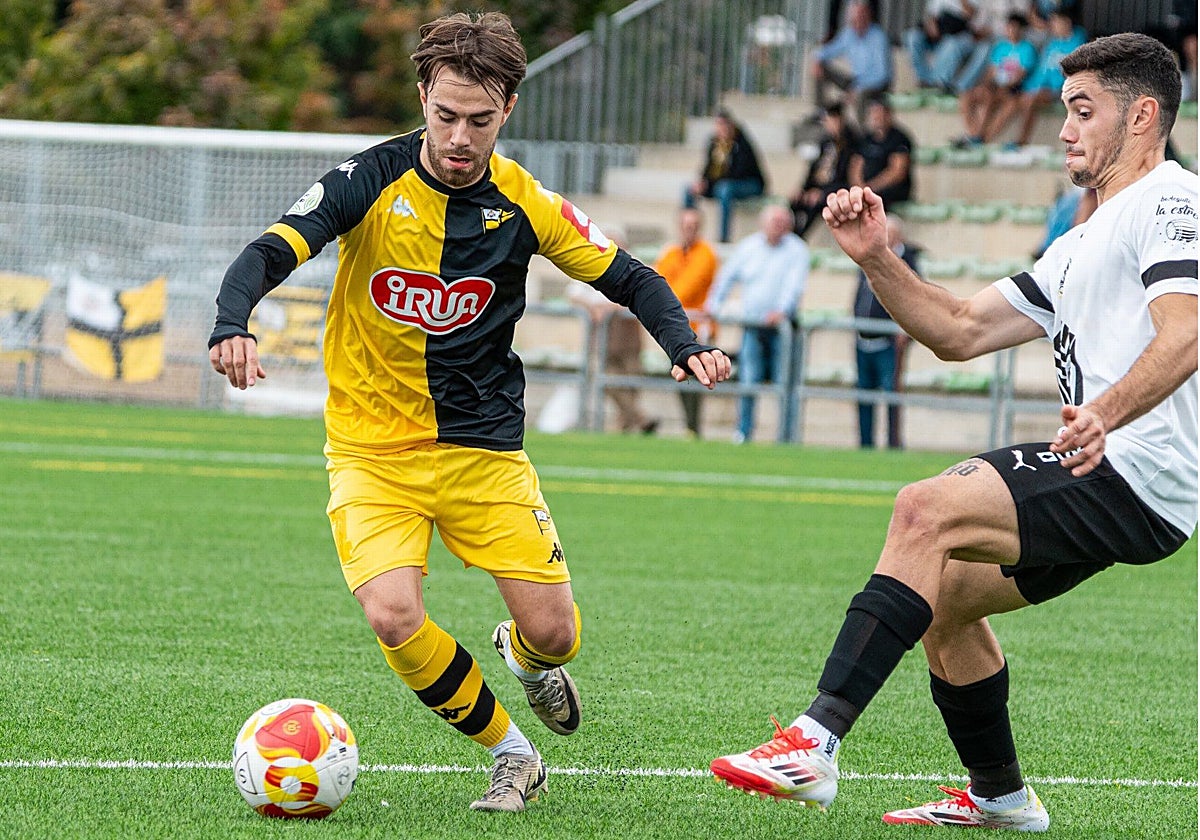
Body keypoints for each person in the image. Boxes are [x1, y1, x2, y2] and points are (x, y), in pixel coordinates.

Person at [207, 12, 731, 814]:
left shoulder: (523, 202)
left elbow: (632, 278)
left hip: (483, 449)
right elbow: (271, 249)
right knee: (392, 614)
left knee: (557, 635)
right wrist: (232, 321)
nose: (458, 136)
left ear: (508, 110)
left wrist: (681, 342)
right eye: (445, 115)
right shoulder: (369, 180)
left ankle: (525, 662)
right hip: (372, 450)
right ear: (423, 96)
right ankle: (513, 755)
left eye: (478, 121)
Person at [711, 32, 1196, 831]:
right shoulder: (1078, 241)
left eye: (1084, 110)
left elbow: (1186, 332)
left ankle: (813, 744)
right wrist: (876, 258)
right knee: (938, 597)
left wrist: (1105, 413)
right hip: (1110, 470)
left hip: (1135, 467)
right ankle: (1002, 796)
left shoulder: (1172, 200)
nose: (1064, 128)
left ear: (1143, 117)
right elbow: (961, 329)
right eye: (1064, 110)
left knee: (923, 508)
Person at [704, 204, 809, 444]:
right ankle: (743, 431)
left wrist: (781, 311)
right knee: (749, 380)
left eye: (783, 223)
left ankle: (786, 435)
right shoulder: (748, 247)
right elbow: (726, 277)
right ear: (764, 224)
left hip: (783, 329)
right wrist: (713, 305)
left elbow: (794, 286)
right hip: (752, 325)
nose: (779, 227)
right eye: (775, 222)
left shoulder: (797, 250)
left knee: (785, 383)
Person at [567, 232, 658, 435]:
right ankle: (642, 419)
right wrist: (593, 307)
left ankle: (624, 425)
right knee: (608, 380)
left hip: (628, 337)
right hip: (603, 337)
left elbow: (646, 291)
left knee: (632, 380)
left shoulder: (634, 264)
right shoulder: (590, 262)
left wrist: (613, 307)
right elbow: (573, 293)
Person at [654, 208, 721, 438]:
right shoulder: (671, 253)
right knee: (682, 375)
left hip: (698, 329)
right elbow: (659, 283)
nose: (689, 230)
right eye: (685, 225)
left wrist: (665, 299)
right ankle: (690, 426)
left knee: (695, 377)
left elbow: (682, 289)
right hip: (676, 327)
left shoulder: (706, 254)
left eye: (693, 225)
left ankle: (693, 426)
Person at [853, 215, 917, 449]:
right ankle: (865, 444)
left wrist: (904, 330)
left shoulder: (908, 263)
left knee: (891, 392)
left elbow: (917, 299)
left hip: (889, 342)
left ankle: (893, 443)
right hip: (863, 339)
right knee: (863, 393)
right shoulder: (870, 259)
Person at [953, 13, 1039, 148]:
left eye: (1015, 28)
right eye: (1009, 27)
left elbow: (1019, 77)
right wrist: (986, 85)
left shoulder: (1028, 49)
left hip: (1012, 90)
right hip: (994, 87)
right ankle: (973, 134)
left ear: (1022, 30)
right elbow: (990, 72)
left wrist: (998, 87)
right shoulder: (1000, 47)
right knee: (967, 97)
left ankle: (979, 138)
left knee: (993, 100)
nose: (1011, 31)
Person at [683, 110, 766, 244]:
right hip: (720, 184)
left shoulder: (741, 144)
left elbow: (739, 172)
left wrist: (712, 183)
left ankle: (723, 238)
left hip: (748, 184)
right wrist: (702, 183)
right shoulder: (714, 143)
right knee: (689, 190)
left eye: (723, 125)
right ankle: (688, 231)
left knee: (724, 190)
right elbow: (708, 168)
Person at [1010, 10, 1087, 148]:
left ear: (1066, 22)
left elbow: (1075, 74)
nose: (1052, 25)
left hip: (1065, 91)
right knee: (1018, 99)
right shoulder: (1052, 44)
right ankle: (982, 139)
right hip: (1045, 90)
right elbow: (1042, 72)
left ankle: (1021, 141)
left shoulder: (1079, 42)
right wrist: (1030, 89)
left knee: (1031, 99)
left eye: (1055, 22)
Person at [810, 1, 893, 122]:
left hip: (876, 85)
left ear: (867, 17)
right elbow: (829, 50)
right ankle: (820, 112)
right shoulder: (849, 34)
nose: (856, 24)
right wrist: (816, 57)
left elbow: (882, 74)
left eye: (859, 19)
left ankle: (861, 132)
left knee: (860, 95)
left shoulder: (878, 37)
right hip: (856, 80)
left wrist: (858, 87)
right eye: (853, 20)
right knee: (819, 67)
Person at [789, 102, 861, 238]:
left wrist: (821, 192)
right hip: (818, 187)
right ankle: (790, 235)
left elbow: (848, 178)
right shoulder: (825, 142)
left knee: (816, 203)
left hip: (835, 189)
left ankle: (799, 238)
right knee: (794, 202)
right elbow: (813, 169)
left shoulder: (852, 144)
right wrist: (803, 189)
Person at [849, 96, 914, 207]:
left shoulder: (899, 139)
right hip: (866, 188)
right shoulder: (866, 139)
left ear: (888, 114)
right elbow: (855, 165)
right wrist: (859, 185)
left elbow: (897, 172)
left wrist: (871, 187)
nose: (876, 117)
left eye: (879, 113)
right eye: (873, 113)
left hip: (891, 191)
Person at [903, 0, 978, 92]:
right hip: (939, 31)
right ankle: (924, 80)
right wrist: (932, 27)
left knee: (950, 43)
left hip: (961, 34)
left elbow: (971, 15)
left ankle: (937, 84)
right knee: (912, 37)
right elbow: (931, 14)